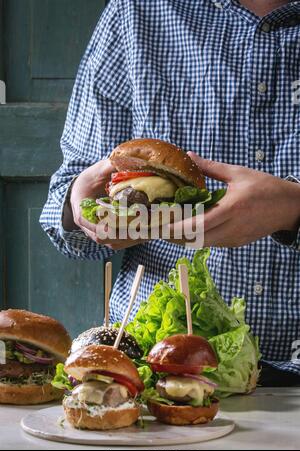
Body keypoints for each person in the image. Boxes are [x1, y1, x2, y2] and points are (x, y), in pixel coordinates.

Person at [41, 0, 300, 386]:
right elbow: (67, 203)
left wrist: (293, 209)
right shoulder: (138, 10)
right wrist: (83, 209)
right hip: (159, 370)